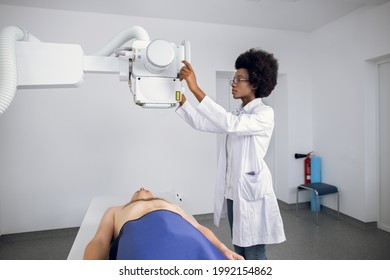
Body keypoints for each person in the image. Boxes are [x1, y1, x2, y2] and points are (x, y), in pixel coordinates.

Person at [176, 48, 286, 260]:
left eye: (239, 79)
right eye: (233, 79)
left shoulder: (264, 113)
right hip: (233, 192)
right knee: (239, 248)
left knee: (254, 251)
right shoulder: (239, 113)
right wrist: (180, 99)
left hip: (251, 193)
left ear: (254, 83)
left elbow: (230, 124)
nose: (233, 83)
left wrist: (195, 88)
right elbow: (203, 122)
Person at [83, 188, 244, 260]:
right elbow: (100, 240)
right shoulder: (117, 210)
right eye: (138, 189)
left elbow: (198, 228)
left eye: (147, 188)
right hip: (141, 241)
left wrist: (223, 249)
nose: (142, 187)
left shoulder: (171, 205)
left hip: (188, 239)